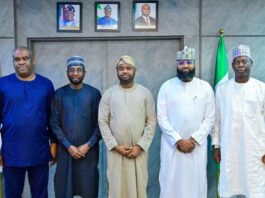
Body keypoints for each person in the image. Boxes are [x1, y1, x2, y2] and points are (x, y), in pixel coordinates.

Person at [157, 47, 215, 198]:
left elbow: (209, 118)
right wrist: (178, 140)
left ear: (194, 64)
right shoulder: (166, 87)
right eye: (181, 62)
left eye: (189, 62)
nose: (185, 66)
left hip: (196, 148)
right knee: (171, 184)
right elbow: (161, 118)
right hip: (172, 148)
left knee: (195, 185)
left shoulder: (205, 87)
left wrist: (194, 139)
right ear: (177, 64)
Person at [0, 46, 56, 198]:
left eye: (25, 58)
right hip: (10, 151)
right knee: (12, 194)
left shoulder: (46, 84)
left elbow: (53, 118)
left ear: (33, 60)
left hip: (39, 150)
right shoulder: (2, 84)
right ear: (13, 62)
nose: (21, 62)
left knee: (40, 194)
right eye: (17, 59)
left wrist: (54, 144)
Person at [98, 55, 156, 198]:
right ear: (117, 71)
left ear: (134, 71)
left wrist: (140, 146)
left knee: (139, 189)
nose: (125, 71)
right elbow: (102, 122)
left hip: (138, 151)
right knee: (117, 188)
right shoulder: (108, 94)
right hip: (116, 152)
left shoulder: (145, 93)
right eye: (121, 68)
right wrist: (115, 146)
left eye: (128, 68)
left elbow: (152, 121)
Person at [211, 45, 265, 198]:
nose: (241, 65)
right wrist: (216, 146)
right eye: (237, 62)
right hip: (230, 147)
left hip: (255, 148)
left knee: (255, 188)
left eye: (244, 61)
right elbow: (217, 120)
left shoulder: (261, 88)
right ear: (232, 65)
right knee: (230, 185)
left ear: (251, 63)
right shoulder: (222, 89)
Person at [50, 56, 101, 198]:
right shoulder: (58, 94)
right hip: (65, 153)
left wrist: (88, 144)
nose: (75, 73)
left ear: (85, 72)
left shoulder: (94, 94)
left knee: (89, 191)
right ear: (67, 72)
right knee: (64, 191)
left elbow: (101, 124)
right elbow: (54, 123)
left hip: (88, 154)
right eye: (72, 70)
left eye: (79, 70)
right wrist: (68, 146)